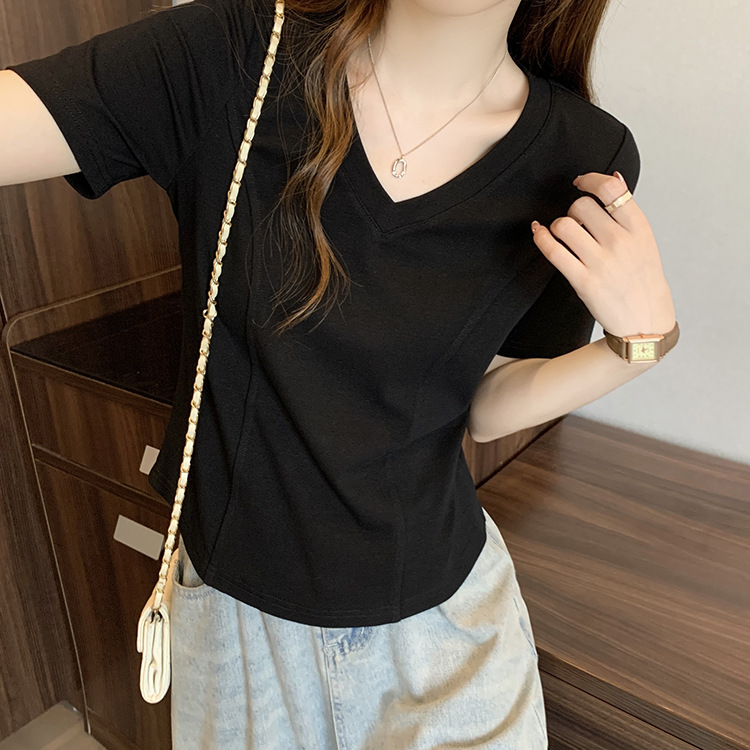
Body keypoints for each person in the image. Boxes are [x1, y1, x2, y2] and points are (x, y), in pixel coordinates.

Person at [0, 0, 677, 747]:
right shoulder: (236, 56)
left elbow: (485, 405)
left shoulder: (585, 154)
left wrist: (636, 346)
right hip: (238, 633)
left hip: (445, 631)